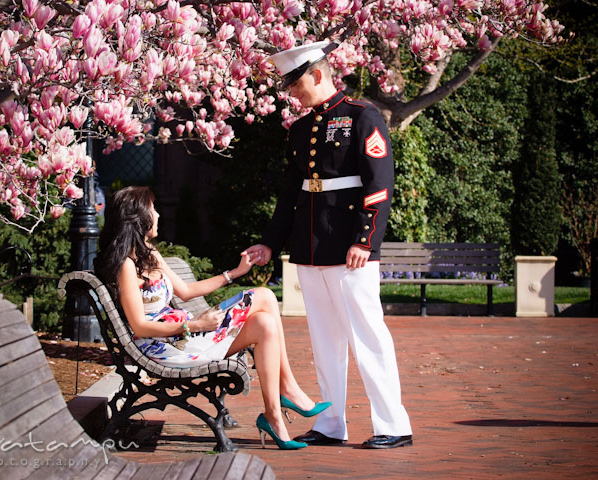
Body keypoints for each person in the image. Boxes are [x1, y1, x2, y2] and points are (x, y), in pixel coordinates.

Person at [245, 41, 413, 449]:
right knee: (324, 340)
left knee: (368, 336)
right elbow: (291, 193)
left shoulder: (362, 116)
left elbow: (378, 186)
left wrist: (365, 239)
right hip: (311, 247)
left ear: (318, 74)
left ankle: (393, 425)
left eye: (296, 83)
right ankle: (331, 424)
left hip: (351, 248)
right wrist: (270, 242)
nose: (292, 93)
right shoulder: (300, 130)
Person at [93, 186, 331, 450]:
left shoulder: (150, 255)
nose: (158, 215)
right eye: (153, 209)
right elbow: (139, 326)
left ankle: (274, 414)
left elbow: (186, 291)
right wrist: (195, 324)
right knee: (264, 296)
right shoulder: (127, 266)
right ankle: (286, 392)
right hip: (167, 347)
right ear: (139, 217)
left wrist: (234, 273)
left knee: (264, 323)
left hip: (185, 335)